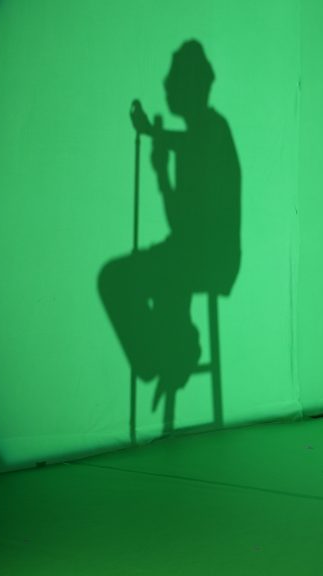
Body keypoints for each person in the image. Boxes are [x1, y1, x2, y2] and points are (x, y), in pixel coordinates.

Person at [99, 40, 241, 407]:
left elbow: (195, 144)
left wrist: (152, 133)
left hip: (211, 259)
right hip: (190, 253)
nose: (166, 85)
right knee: (123, 278)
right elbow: (180, 222)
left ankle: (176, 347)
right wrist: (162, 174)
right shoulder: (193, 141)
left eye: (174, 78)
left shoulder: (213, 130)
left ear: (193, 85)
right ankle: (169, 350)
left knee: (134, 276)